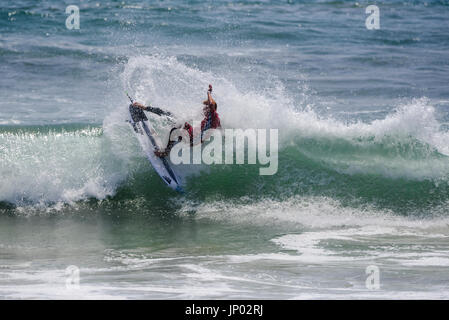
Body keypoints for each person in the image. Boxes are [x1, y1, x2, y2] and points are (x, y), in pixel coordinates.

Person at [132, 84, 221, 158]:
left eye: (206, 108)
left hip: (192, 140)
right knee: (170, 115)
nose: (204, 109)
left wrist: (209, 93)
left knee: (176, 129)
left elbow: (212, 104)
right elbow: (219, 126)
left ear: (210, 109)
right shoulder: (215, 119)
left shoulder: (213, 115)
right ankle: (144, 108)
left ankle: (165, 152)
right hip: (191, 134)